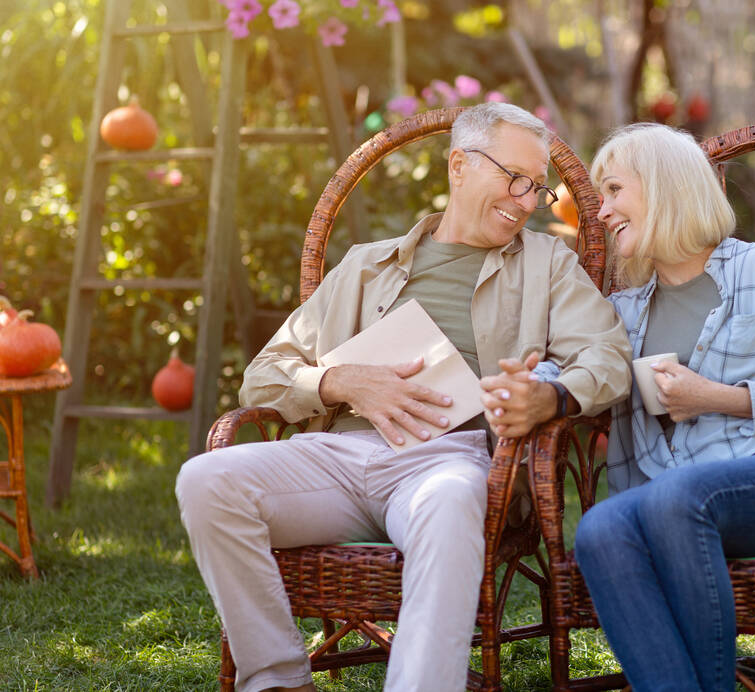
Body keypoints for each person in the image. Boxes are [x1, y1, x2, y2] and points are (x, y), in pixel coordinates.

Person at [175, 103, 631, 692]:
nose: (525, 200)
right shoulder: (367, 266)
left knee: (449, 501)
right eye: (514, 179)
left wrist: (551, 396)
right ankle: (278, 680)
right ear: (459, 165)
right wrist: (339, 381)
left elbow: (608, 357)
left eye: (537, 188)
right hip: (337, 459)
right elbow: (263, 375)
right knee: (206, 480)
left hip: (452, 459)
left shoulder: (547, 264)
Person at [571, 123, 755, 692]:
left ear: (662, 186)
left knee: (676, 499)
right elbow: (575, 369)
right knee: (599, 528)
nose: (601, 212)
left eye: (613, 191)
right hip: (671, 500)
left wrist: (717, 398)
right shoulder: (622, 312)